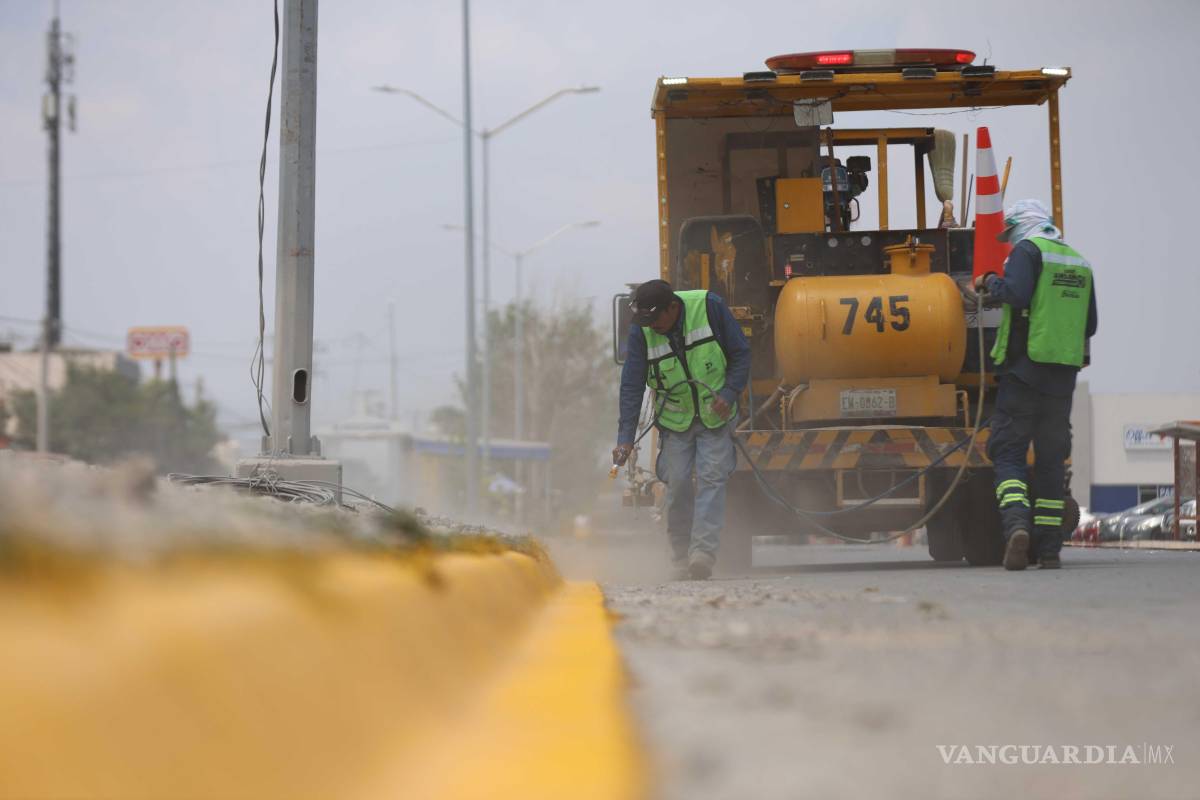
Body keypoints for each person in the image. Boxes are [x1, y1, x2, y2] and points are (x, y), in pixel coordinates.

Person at [973, 199, 1098, 571]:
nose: (1010, 243)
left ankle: (1016, 528)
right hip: (1063, 379)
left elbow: (1016, 294)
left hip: (1025, 372)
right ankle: (1049, 550)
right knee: (1050, 462)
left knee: (1008, 453)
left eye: (1010, 234)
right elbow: (1089, 326)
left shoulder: (1028, 251)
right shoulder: (1079, 261)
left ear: (1023, 225)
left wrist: (987, 281)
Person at [613, 279, 751, 579]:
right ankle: (679, 553)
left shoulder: (710, 307)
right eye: (645, 321)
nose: (651, 327)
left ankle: (702, 553)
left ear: (673, 308)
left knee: (712, 478)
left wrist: (728, 394)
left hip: (715, 416)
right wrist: (625, 438)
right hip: (676, 422)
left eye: (655, 319)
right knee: (677, 482)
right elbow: (632, 384)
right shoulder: (643, 330)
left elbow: (741, 354)